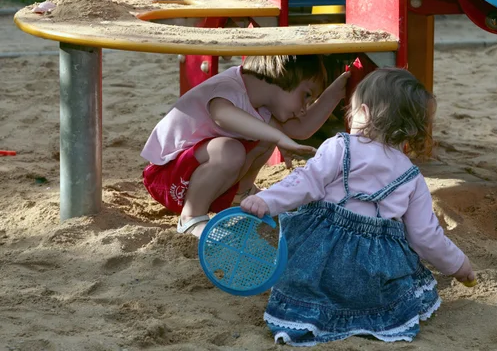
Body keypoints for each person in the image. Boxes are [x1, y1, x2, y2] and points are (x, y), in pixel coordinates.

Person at [241, 67, 476, 346]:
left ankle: (311, 317)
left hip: (321, 266)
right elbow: (426, 237)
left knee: (302, 272)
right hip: (374, 281)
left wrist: (267, 199)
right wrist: (460, 265)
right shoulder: (412, 177)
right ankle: (373, 318)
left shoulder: (340, 147)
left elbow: (306, 182)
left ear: (363, 112)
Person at [141, 55, 350, 238]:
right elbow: (222, 116)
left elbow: (300, 128)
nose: (305, 109)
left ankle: (241, 195)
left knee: (260, 136)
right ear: (284, 73)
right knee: (230, 150)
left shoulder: (263, 106)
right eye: (306, 96)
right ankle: (191, 217)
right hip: (166, 178)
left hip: (201, 181)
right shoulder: (228, 87)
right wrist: (278, 137)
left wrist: (339, 90)